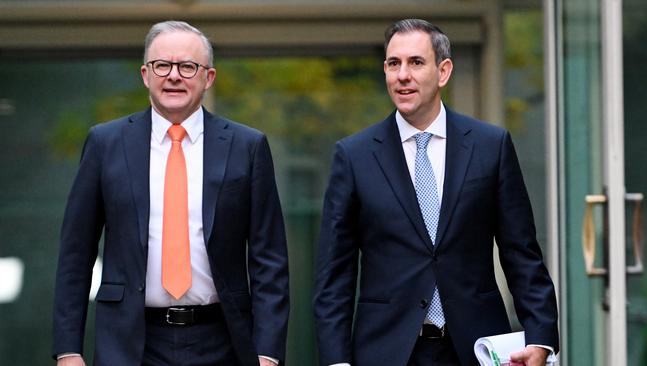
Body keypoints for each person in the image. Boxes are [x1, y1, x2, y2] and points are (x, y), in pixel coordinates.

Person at [313, 19, 558, 366]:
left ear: (443, 72)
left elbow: (522, 255)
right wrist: (337, 360)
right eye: (393, 64)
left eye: (415, 62)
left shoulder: (491, 146)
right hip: (387, 351)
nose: (402, 75)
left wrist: (541, 339)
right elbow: (334, 275)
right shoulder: (354, 156)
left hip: (476, 349)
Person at [52, 20, 289, 366]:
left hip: (223, 341)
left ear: (208, 78)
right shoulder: (106, 143)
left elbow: (270, 260)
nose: (174, 76)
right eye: (162, 65)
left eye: (187, 66)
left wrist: (267, 353)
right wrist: (68, 350)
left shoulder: (246, 146)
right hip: (130, 343)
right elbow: (76, 253)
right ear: (146, 74)